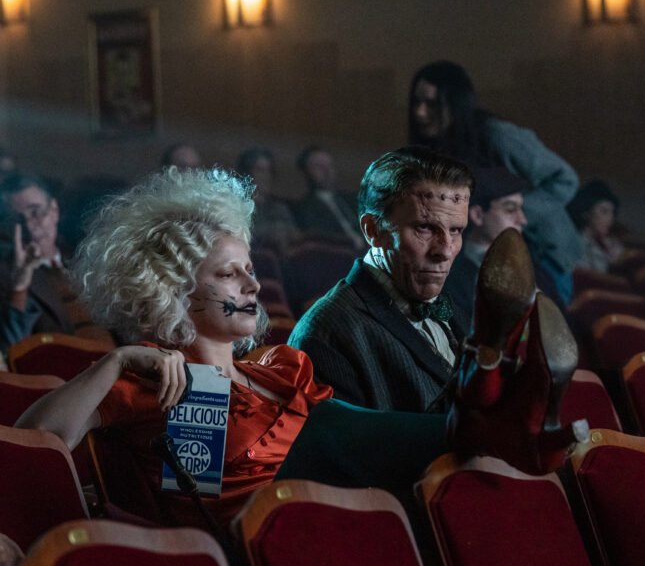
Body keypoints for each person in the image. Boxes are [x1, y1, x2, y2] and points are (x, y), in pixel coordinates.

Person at [15, 166, 584, 527]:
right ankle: (491, 394)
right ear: (173, 290)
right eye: (229, 275)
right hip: (247, 532)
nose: (252, 285)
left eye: (250, 269)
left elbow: (369, 446)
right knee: (322, 425)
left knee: (356, 430)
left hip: (330, 520)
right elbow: (34, 442)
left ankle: (486, 399)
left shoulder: (279, 367)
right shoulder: (153, 381)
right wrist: (116, 360)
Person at [287, 146, 471, 411]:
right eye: (424, 228)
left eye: (456, 230)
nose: (445, 250)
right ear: (373, 230)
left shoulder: (455, 312)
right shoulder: (327, 332)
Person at [408, 61, 581, 305]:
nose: (420, 113)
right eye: (417, 102)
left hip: (545, 256)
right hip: (487, 257)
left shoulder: (497, 135)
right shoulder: (432, 147)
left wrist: (508, 212)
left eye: (432, 104)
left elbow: (565, 179)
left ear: (456, 105)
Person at [0, 172, 113, 354]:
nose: (30, 226)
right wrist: (20, 286)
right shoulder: (9, 275)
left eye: (36, 212)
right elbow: (11, 350)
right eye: (18, 219)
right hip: (71, 365)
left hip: (121, 356)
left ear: (54, 210)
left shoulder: (84, 256)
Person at [443, 165, 565, 320]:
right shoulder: (452, 275)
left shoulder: (534, 267)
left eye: (520, 209)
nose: (522, 220)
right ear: (478, 215)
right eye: (510, 209)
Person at [290, 145, 366, 251]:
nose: (327, 171)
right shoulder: (302, 208)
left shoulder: (352, 199)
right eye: (319, 167)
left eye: (330, 165)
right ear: (306, 172)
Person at [235, 146, 297, 250]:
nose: (266, 176)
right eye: (260, 170)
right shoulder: (236, 209)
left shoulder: (280, 209)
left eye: (269, 171)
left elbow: (294, 239)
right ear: (247, 173)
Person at [567, 179, 626, 273]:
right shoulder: (576, 243)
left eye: (612, 213)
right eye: (604, 211)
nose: (610, 218)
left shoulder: (611, 244)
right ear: (587, 213)